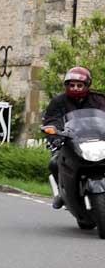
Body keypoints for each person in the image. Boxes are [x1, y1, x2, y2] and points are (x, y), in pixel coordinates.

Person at [43, 66, 105, 209]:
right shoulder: (58, 102)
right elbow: (52, 120)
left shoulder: (99, 100)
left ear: (87, 85)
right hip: (69, 141)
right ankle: (61, 193)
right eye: (72, 85)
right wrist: (55, 136)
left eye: (79, 85)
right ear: (67, 86)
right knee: (54, 162)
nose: (76, 88)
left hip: (98, 141)